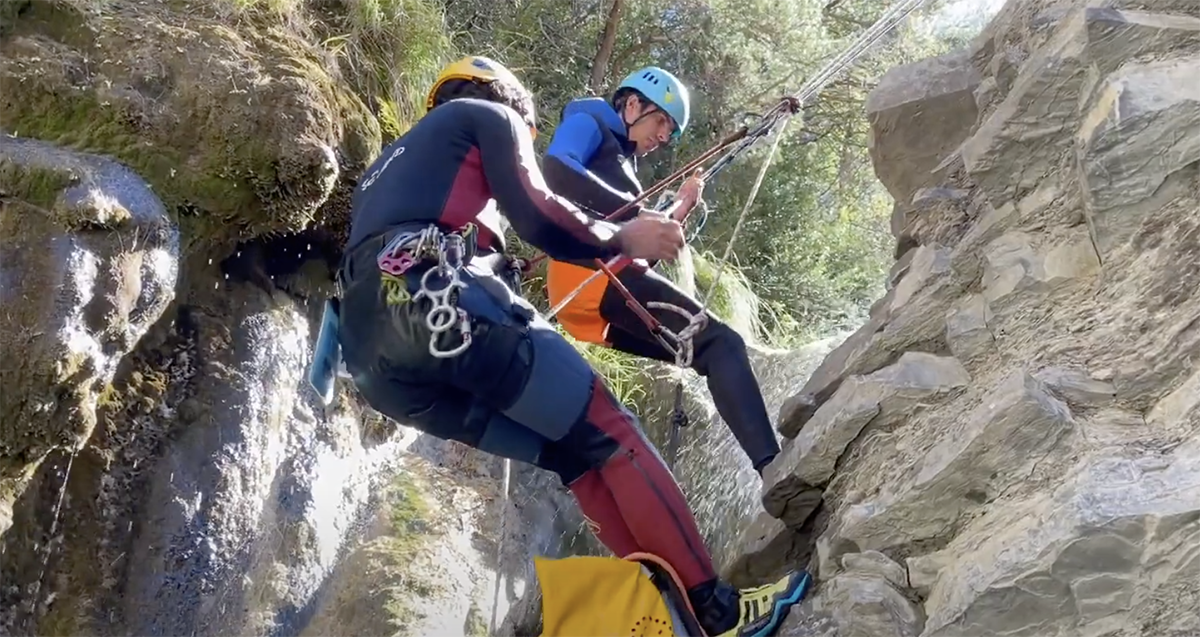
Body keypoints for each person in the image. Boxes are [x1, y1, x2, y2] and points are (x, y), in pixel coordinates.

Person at [335, 55, 811, 637]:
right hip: (439, 302)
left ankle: (666, 616)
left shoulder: (385, 170)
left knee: (573, 455)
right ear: (507, 95)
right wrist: (622, 234)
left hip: (375, 367)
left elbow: (395, 255)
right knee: (611, 434)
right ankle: (719, 612)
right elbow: (537, 210)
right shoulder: (487, 113)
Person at [541, 66, 781, 476]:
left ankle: (771, 470)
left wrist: (680, 210)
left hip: (595, 293)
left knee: (707, 351)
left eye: (669, 130)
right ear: (632, 104)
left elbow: (638, 262)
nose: (664, 137)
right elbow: (557, 168)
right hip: (585, 275)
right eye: (661, 122)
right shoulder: (590, 117)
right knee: (721, 345)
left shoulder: (626, 173)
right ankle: (775, 470)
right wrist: (640, 213)